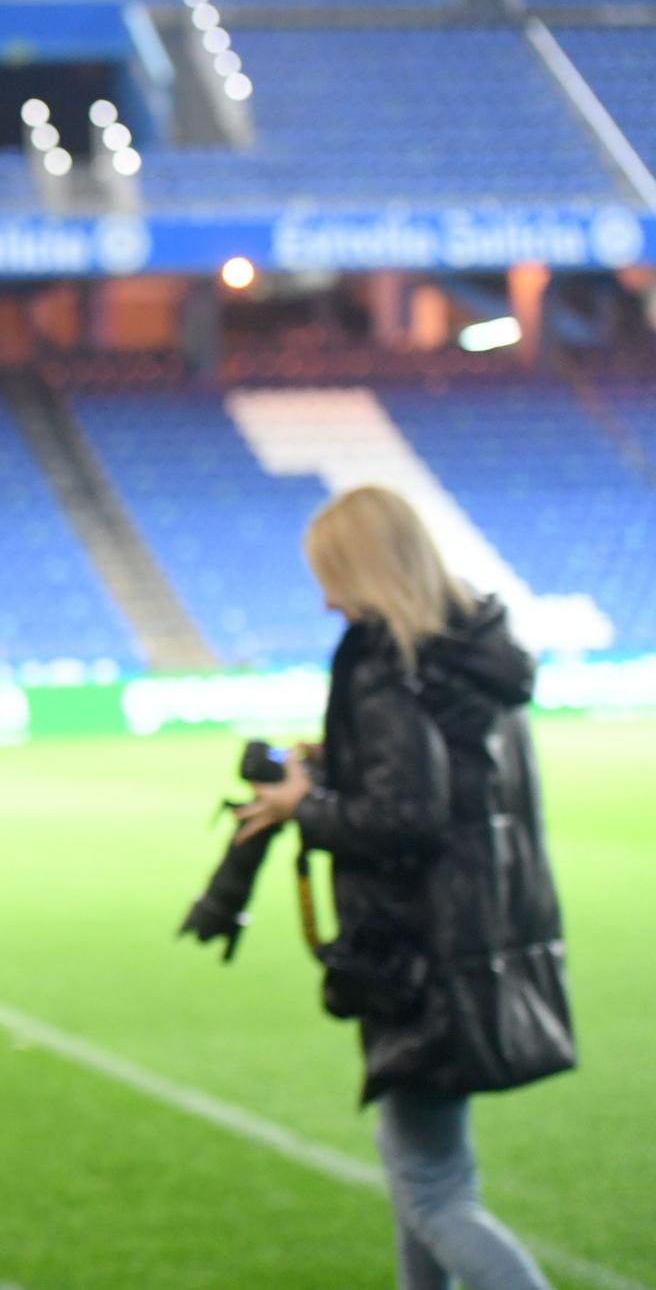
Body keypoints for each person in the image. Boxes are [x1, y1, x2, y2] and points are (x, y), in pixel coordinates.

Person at [233, 486, 574, 1290]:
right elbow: (447, 788)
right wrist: (342, 758)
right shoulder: (469, 654)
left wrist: (301, 803)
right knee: (425, 1169)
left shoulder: (389, 662)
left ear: (366, 568)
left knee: (432, 1186)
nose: (324, 597)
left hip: (422, 952)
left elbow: (405, 818)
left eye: (332, 574)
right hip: (480, 937)